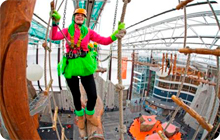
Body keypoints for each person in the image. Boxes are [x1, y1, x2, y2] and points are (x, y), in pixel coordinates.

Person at [50, 8, 126, 129]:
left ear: (85, 19)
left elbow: (104, 41)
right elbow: (53, 36)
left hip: (85, 64)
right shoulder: (67, 31)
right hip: (71, 65)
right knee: (76, 95)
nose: (79, 17)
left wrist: (116, 34)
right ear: (73, 17)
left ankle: (90, 114)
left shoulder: (88, 32)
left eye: (82, 16)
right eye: (77, 15)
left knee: (92, 95)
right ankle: (80, 116)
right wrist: (55, 23)